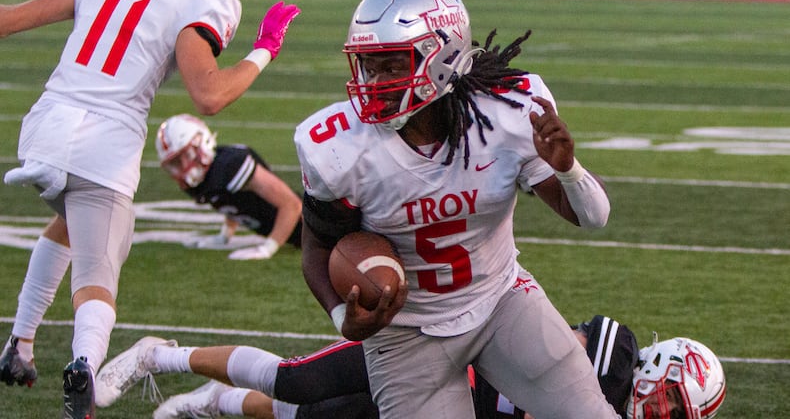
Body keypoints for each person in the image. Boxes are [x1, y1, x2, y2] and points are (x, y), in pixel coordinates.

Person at [294, 0, 613, 417]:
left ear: (442, 57)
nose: (375, 82)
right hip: (404, 334)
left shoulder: (507, 111)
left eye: (392, 66)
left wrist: (568, 169)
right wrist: (341, 318)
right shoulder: (337, 147)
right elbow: (316, 248)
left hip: (501, 301)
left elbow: (593, 217)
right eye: (368, 66)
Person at [0, 0, 300, 416]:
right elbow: (210, 95)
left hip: (43, 131)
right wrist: (265, 50)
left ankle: (20, 344)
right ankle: (84, 364)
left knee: (69, 219)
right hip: (103, 146)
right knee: (99, 271)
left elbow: (6, 21)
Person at [94, 315, 726, 418]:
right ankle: (158, 355)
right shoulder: (616, 354)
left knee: (312, 417)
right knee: (298, 380)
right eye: (671, 400)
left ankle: (214, 402)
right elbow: (561, 344)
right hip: (439, 358)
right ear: (660, 366)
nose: (663, 413)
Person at [155, 113, 302, 260]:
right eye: (175, 163)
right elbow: (233, 200)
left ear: (201, 143)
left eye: (185, 156)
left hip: (312, 229)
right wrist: (225, 235)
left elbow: (291, 204)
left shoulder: (231, 164)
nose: (182, 167)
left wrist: (268, 248)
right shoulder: (204, 180)